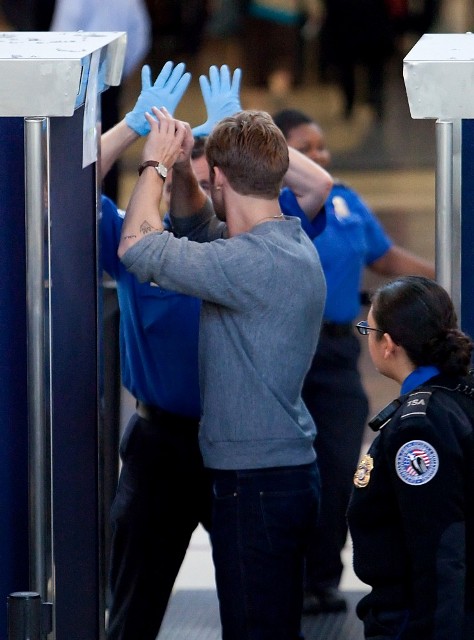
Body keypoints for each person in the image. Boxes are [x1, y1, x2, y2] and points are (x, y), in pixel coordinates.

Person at [101, 63, 332, 640]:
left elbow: (139, 246)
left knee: (257, 626)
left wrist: (154, 162)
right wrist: (184, 168)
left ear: (222, 178)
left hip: (254, 478)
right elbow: (200, 227)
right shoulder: (278, 240)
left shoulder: (245, 262)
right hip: (232, 461)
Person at [272, 108, 435, 614]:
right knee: (288, 469)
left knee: (341, 463)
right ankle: (282, 581)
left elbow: (383, 257)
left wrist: (450, 271)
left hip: (337, 353)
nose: (319, 155)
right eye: (305, 148)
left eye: (321, 146)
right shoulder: (271, 206)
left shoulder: (344, 199)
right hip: (284, 350)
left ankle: (322, 578)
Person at [348, 276, 474, 639]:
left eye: (367, 329)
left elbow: (438, 547)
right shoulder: (459, 395)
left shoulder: (419, 429)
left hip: (414, 617)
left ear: (388, 344)